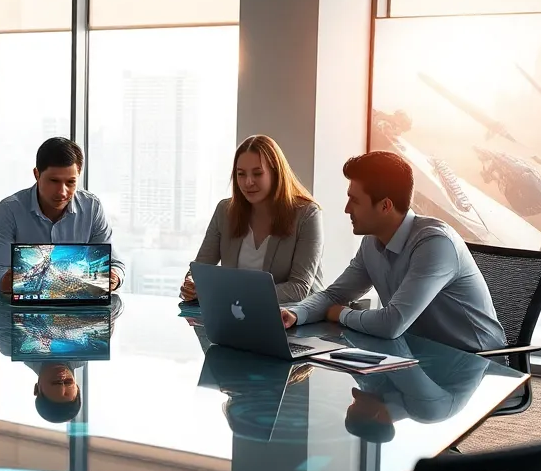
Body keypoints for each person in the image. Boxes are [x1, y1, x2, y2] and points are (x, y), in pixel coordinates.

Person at [280, 150, 505, 353]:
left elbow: (392, 323)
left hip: (477, 365)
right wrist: (296, 314)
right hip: (419, 356)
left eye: (355, 200)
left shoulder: (435, 244)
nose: (347, 209)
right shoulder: (371, 241)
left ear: (385, 206)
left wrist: (340, 314)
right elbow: (334, 295)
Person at [180, 134, 323, 304]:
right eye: (241, 174)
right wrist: (192, 283)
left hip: (298, 320)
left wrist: (233, 293)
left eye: (257, 173)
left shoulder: (307, 214)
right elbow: (200, 269)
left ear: (276, 173)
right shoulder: (224, 211)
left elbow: (299, 288)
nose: (248, 182)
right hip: (238, 314)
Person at [0, 137, 125, 293]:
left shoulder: (92, 207)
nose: (62, 192)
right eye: (54, 181)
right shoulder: (9, 209)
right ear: (36, 174)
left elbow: (115, 264)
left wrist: (114, 278)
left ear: (79, 174)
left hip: (81, 309)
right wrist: (15, 279)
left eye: (71, 182)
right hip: (24, 308)